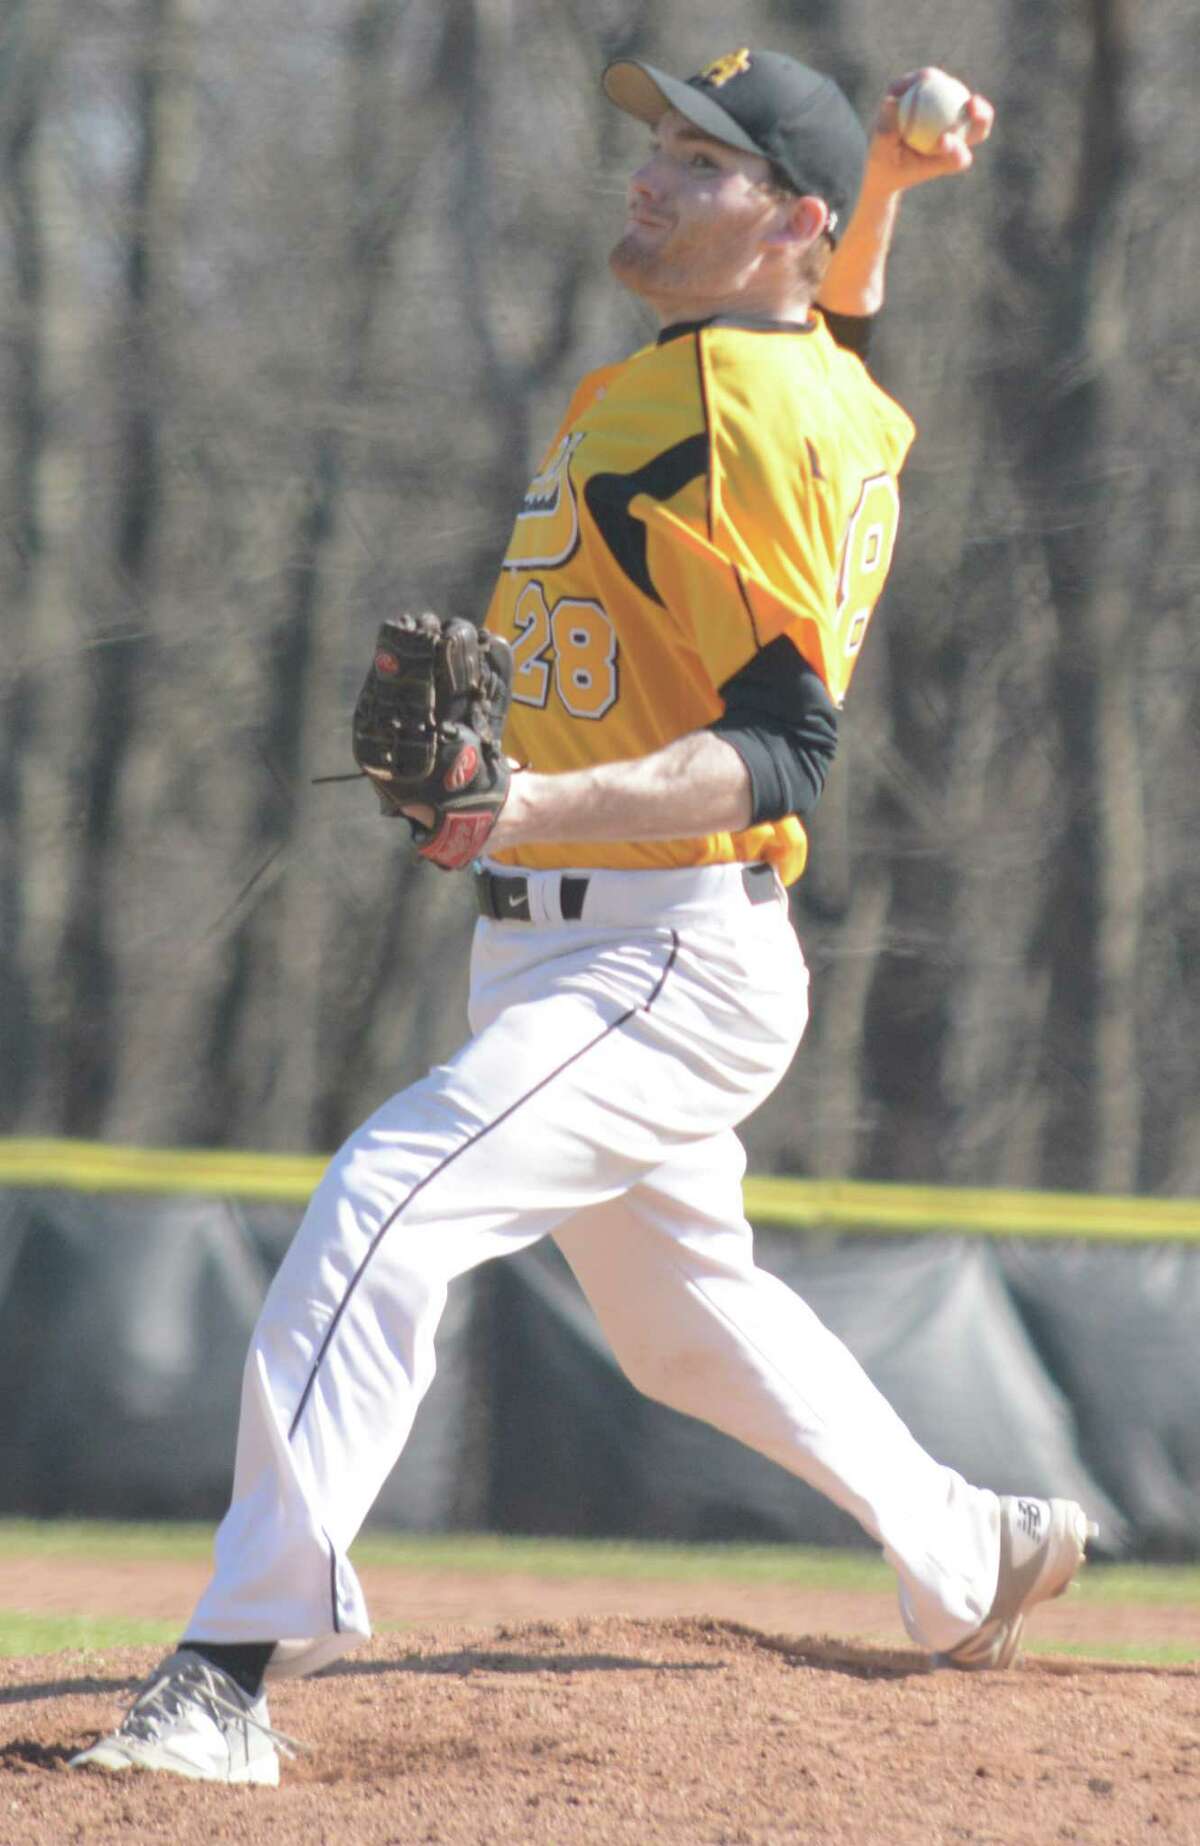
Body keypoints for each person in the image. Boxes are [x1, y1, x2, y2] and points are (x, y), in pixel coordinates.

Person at [72, 48, 1093, 1787]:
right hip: (573, 934)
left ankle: (233, 1666)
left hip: (663, 948)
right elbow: (819, 316)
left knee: (383, 1201)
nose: (646, 178)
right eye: (658, 148)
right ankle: (964, 1545)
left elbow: (786, 751)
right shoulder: (767, 365)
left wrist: (523, 803)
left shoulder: (742, 408)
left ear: (781, 220)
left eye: (697, 165)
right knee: (682, 1320)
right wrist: (894, 188)